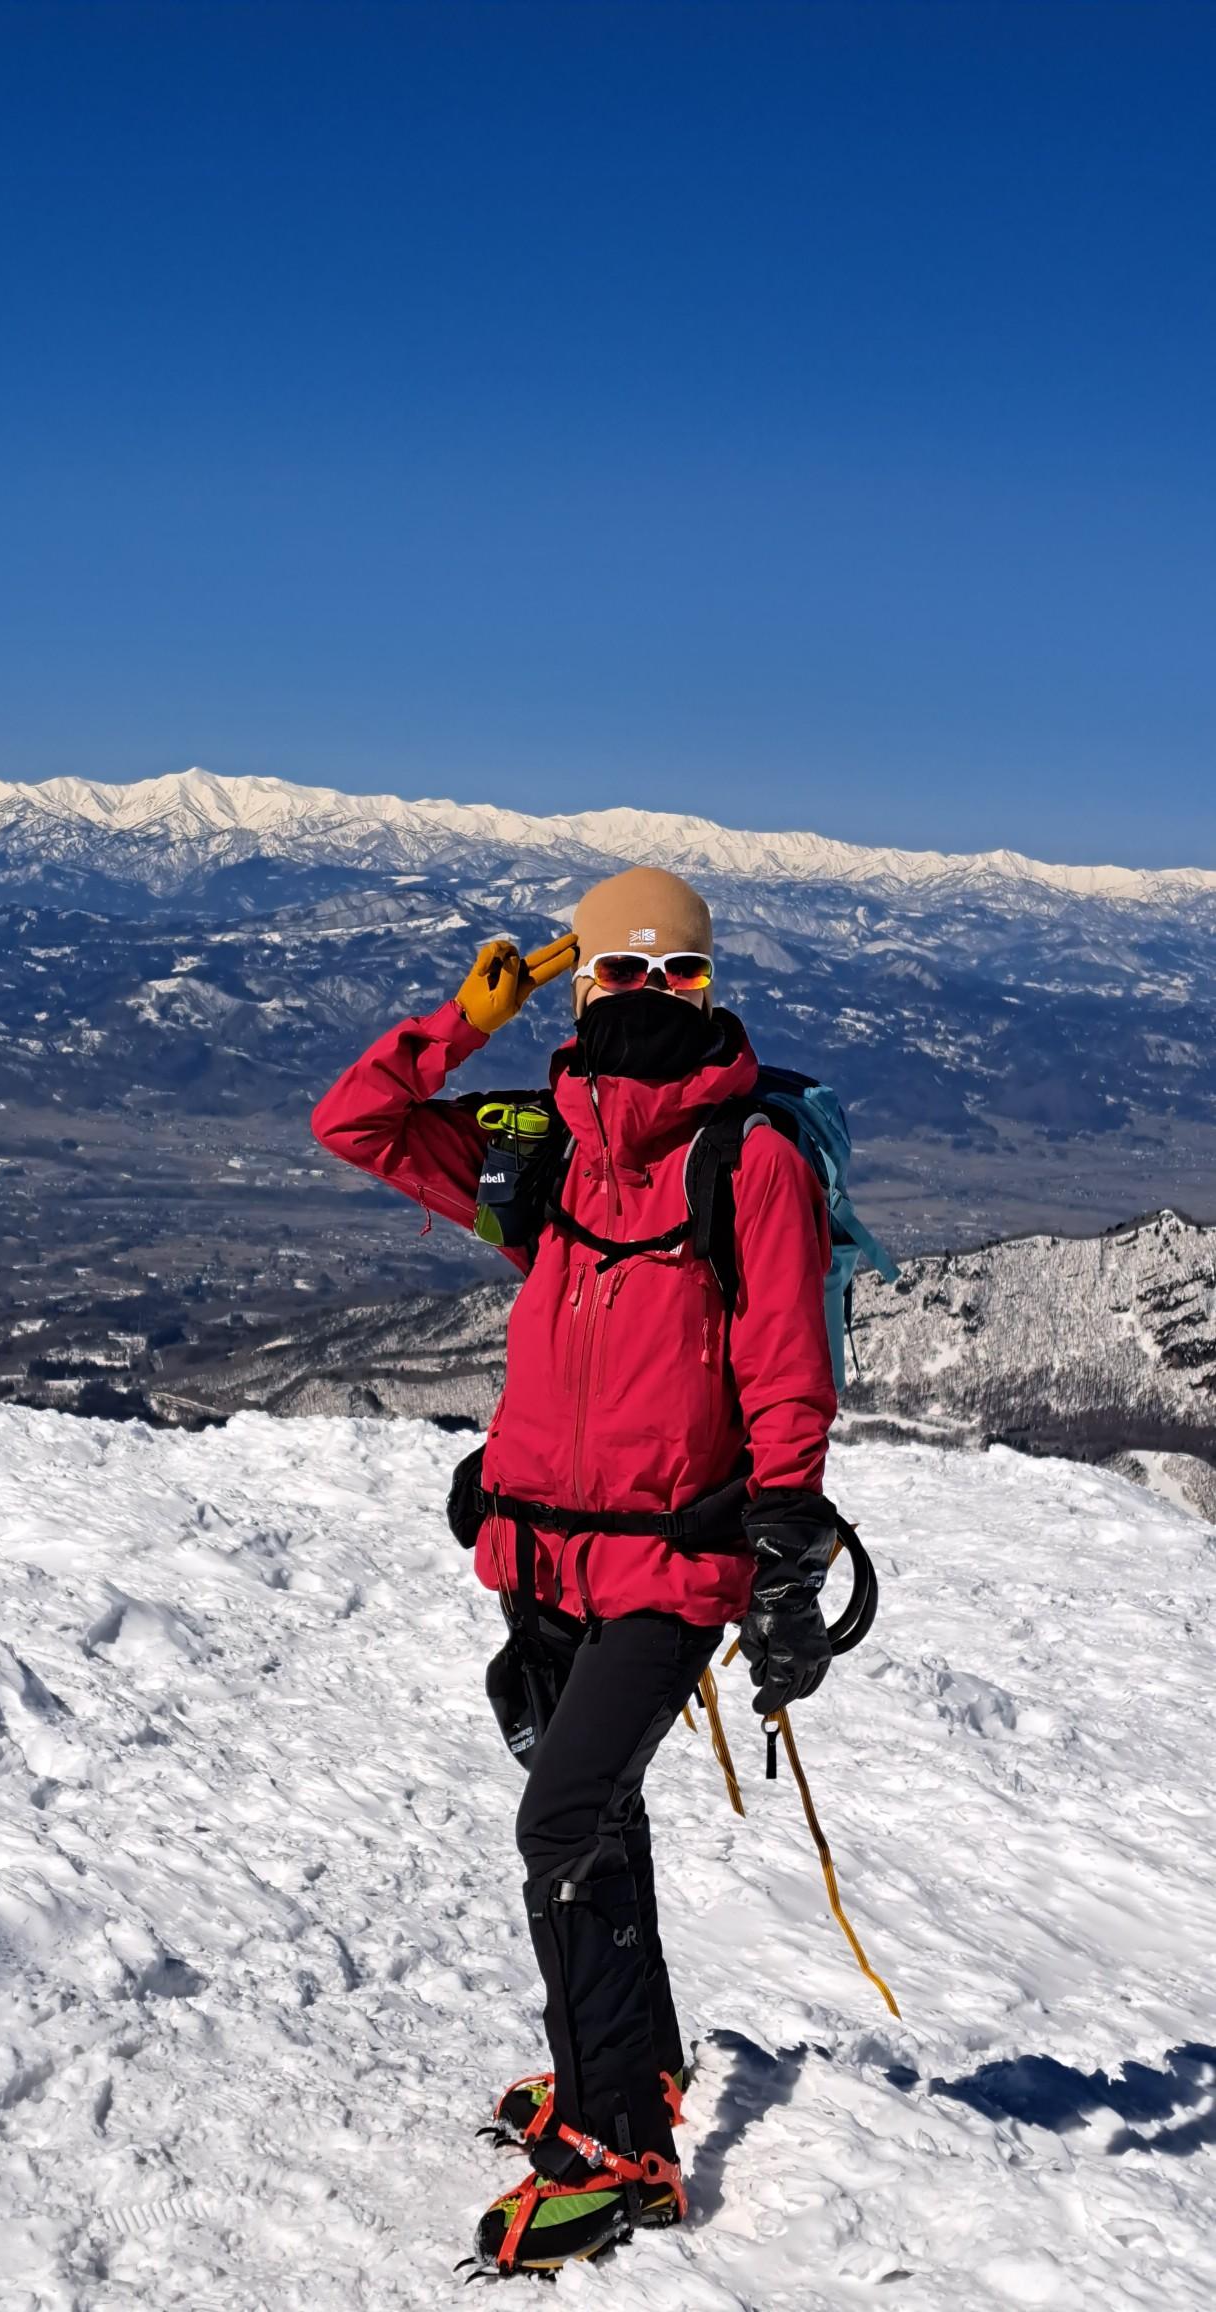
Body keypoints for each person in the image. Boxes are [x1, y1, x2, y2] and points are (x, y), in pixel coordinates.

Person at [310, 864, 838, 2276]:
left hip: (672, 1564)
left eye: (677, 977)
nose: (649, 997)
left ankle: (620, 2145)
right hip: (539, 1552)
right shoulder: (536, 1146)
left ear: (710, 988)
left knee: (559, 1823)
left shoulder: (747, 1160)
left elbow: (788, 1368)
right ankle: (628, 2067)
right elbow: (354, 1120)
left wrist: (783, 1533)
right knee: (593, 1823)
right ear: (584, 980)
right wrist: (469, 1017)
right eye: (621, 973)